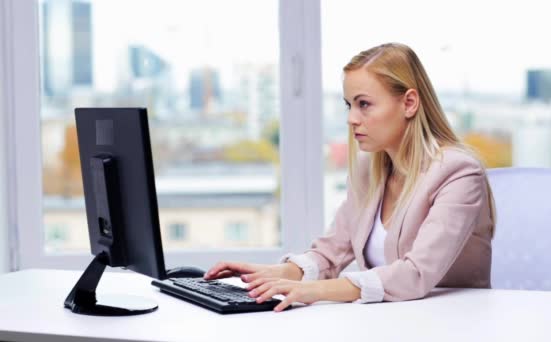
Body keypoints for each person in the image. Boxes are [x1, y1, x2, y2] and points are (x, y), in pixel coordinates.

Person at [204, 43, 496, 312]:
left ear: (409, 103)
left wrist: (313, 290)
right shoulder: (371, 169)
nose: (351, 118)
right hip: (390, 321)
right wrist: (275, 275)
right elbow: (332, 252)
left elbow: (415, 274)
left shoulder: (458, 173)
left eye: (364, 104)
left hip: (452, 323)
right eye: (349, 105)